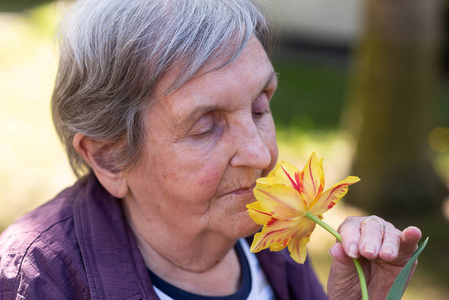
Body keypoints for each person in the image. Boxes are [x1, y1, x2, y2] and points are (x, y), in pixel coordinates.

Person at [0, 0, 422, 299]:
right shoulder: (38, 283)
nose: (261, 156)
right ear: (108, 156)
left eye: (260, 107)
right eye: (206, 127)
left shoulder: (275, 239)